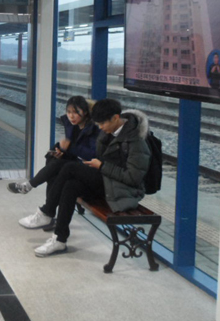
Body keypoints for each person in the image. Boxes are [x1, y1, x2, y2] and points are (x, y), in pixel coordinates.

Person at [28, 98, 151, 257]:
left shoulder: (136, 143)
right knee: (70, 184)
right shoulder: (107, 133)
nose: (100, 128)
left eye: (102, 124)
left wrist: (102, 166)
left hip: (122, 190)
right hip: (105, 181)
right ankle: (59, 239)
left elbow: (133, 178)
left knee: (69, 168)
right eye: (98, 124)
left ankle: (47, 211)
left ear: (115, 118)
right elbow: (96, 157)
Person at [8, 96, 99, 208]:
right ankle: (48, 206)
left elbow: (92, 155)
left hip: (90, 169)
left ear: (85, 112)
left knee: (57, 165)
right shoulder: (73, 126)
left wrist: (70, 147)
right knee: (53, 161)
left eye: (75, 112)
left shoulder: (93, 128)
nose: (71, 116)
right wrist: (61, 152)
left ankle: (32, 190)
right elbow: (73, 151)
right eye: (68, 112)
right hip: (75, 164)